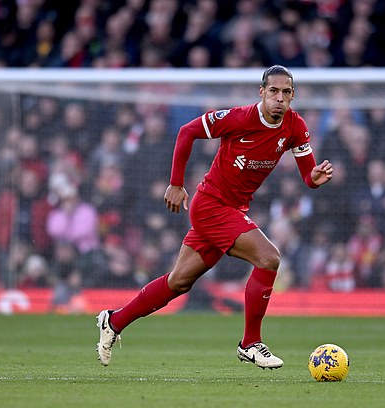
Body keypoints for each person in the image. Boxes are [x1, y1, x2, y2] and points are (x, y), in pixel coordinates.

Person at [96, 65, 333, 369]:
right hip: (210, 205)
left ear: (292, 96)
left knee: (178, 282)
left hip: (233, 210)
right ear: (261, 93)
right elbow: (187, 131)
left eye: (286, 93)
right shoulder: (239, 118)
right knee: (269, 258)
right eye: (273, 91)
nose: (279, 98)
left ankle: (114, 321)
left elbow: (307, 176)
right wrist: (177, 183)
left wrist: (315, 177)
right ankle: (250, 343)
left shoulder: (294, 126)